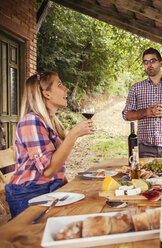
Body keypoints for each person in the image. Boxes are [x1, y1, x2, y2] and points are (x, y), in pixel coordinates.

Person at [5, 71, 93, 219]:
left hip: (49, 191)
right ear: (46, 94)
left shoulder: (52, 122)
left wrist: (67, 185)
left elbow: (55, 168)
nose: (66, 89)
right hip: (29, 195)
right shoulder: (31, 121)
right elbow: (48, 171)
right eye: (59, 85)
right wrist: (73, 135)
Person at [122, 48, 162, 158]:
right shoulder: (136, 88)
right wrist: (145, 112)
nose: (149, 65)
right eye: (145, 62)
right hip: (144, 146)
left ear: (161, 63)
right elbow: (126, 115)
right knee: (145, 175)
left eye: (152, 61)